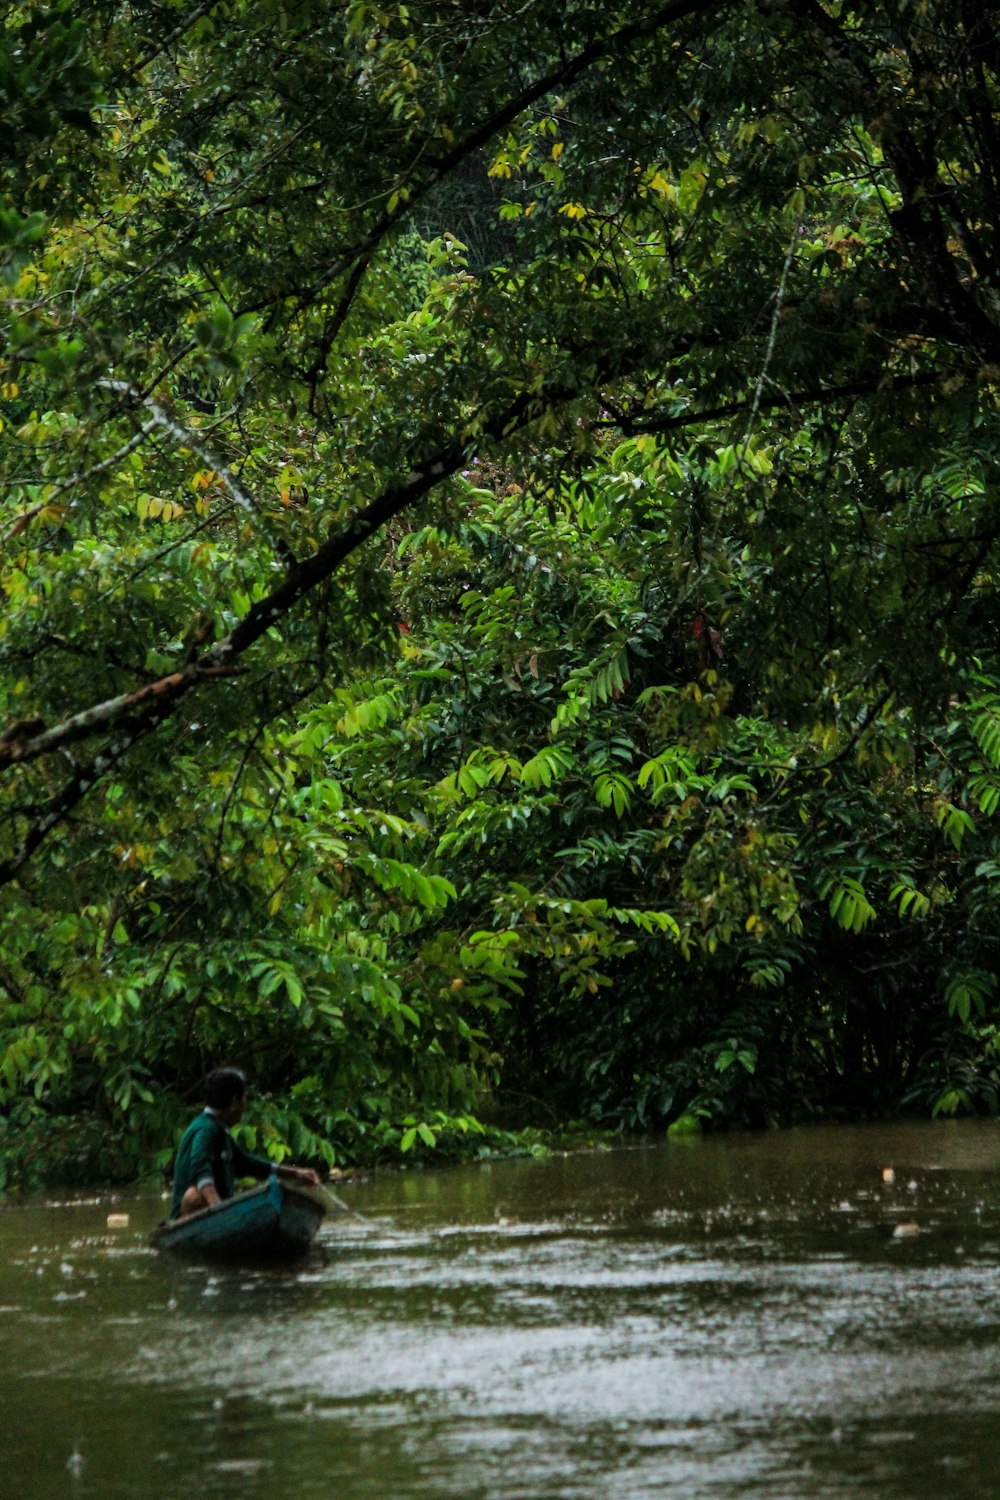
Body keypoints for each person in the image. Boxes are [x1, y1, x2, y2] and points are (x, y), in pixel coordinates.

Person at [169, 1066, 321, 1220]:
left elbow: (249, 1163)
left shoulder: (220, 1130)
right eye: (244, 1099)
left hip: (217, 1214)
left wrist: (295, 1173)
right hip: (193, 1216)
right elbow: (200, 1167)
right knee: (194, 1196)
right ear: (235, 1102)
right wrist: (219, 1209)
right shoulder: (205, 1129)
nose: (245, 1106)